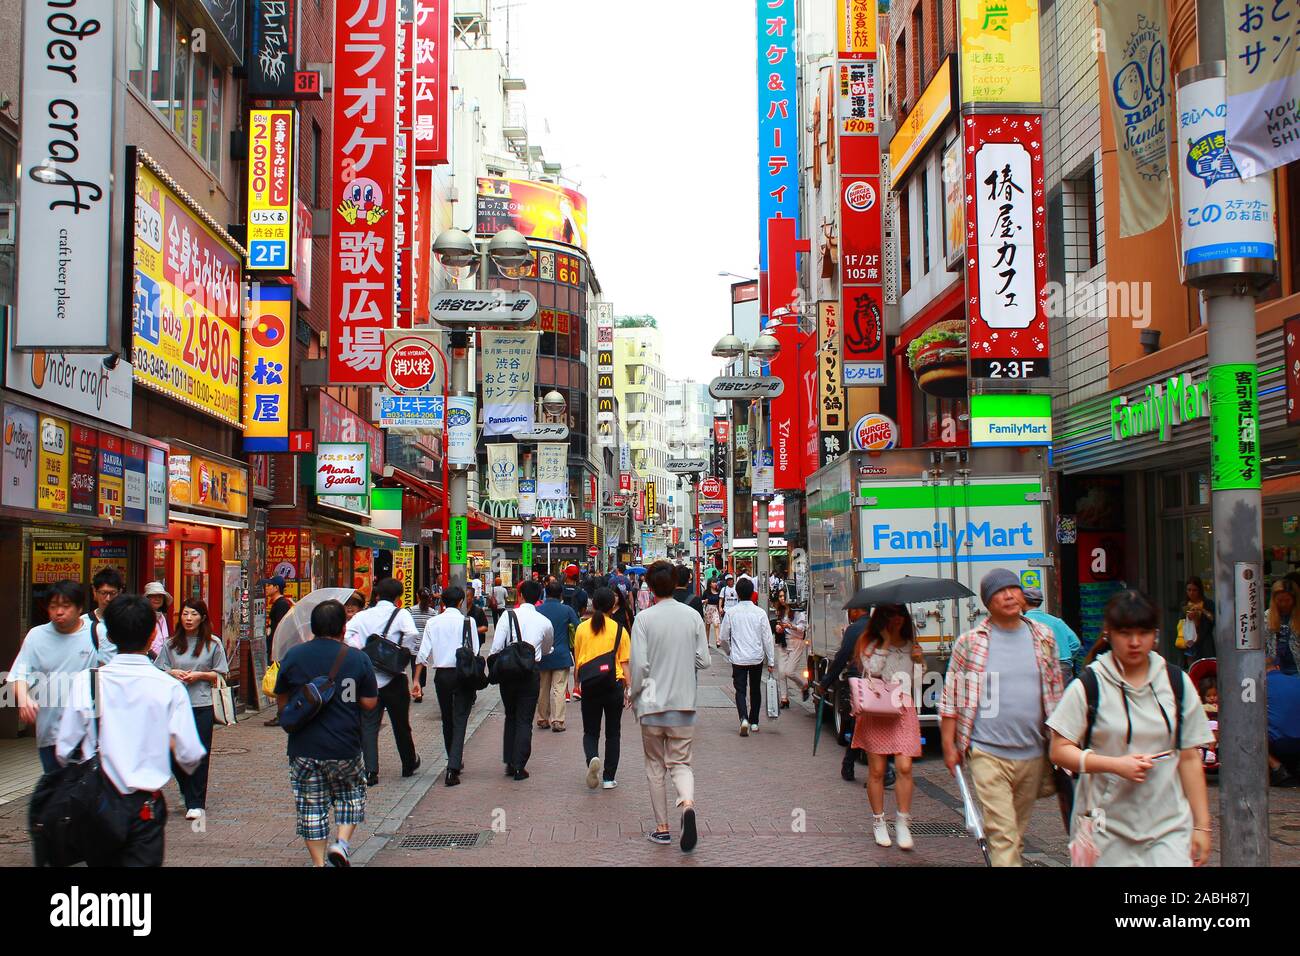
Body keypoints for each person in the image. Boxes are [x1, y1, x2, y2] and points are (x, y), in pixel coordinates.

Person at [1048, 590, 1214, 866]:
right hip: (1106, 829)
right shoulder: (1089, 685)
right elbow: (1059, 750)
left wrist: (1202, 826)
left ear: (1155, 634)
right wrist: (1114, 765)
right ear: (1109, 634)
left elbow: (1188, 758)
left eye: (1144, 632)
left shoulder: (1176, 682)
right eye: (1125, 633)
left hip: (1168, 826)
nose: (1135, 642)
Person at [53, 594, 205, 867]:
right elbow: (191, 754)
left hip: (96, 804)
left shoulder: (88, 683)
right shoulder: (168, 688)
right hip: (144, 807)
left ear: (109, 636)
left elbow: (64, 750)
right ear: (151, 636)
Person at [940, 568, 1064, 867]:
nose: (1008, 595)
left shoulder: (1044, 637)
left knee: (1013, 837)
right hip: (987, 753)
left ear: (1023, 595)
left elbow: (1056, 693)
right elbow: (951, 697)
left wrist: (1062, 743)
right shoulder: (970, 643)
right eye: (999, 591)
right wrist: (948, 745)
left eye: (1013, 589)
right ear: (987, 602)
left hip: (1033, 754)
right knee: (1003, 836)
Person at [274, 600, 379, 867]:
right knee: (351, 796)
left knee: (311, 808)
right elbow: (369, 703)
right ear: (344, 628)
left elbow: (282, 699)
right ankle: (341, 845)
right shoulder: (357, 658)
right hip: (345, 744)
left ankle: (319, 863)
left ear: (313, 627)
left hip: (304, 746)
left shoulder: (295, 656)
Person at [629, 561, 710, 850]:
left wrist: (633, 693)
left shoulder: (644, 619)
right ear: (676, 582)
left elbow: (640, 665)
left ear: (649, 587)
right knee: (681, 763)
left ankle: (662, 829)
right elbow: (705, 659)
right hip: (683, 704)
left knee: (654, 766)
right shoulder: (691, 616)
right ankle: (687, 805)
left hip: (651, 705)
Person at [7, 581, 103, 773]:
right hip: (50, 735)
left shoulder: (98, 633)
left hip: (87, 735)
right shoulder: (36, 636)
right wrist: (24, 699)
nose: (59, 612)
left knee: (84, 795)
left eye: (65, 606)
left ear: (79, 608)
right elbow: (19, 675)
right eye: (53, 606)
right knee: (55, 793)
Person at [852, 605, 924, 849]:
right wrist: (884, 643)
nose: (897, 619)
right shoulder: (870, 645)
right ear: (882, 619)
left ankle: (903, 822)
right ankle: (879, 821)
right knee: (877, 771)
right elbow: (872, 671)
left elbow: (917, 682)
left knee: (904, 766)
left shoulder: (910, 645)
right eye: (892, 614)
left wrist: (919, 661)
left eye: (900, 614)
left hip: (903, 709)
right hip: (878, 711)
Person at [154, 598, 228, 820]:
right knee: (172, 752)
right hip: (174, 706)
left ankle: (196, 803)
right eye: (185, 614)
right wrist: (172, 673)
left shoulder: (212, 643)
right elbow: (158, 669)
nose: (188, 618)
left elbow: (221, 674)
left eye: (193, 614)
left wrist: (200, 675)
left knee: (200, 753)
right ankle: (187, 789)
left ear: (202, 617)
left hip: (201, 703)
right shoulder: (171, 643)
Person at [345, 577, 422, 786]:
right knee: (401, 724)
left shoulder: (362, 616)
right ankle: (408, 764)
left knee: (369, 725)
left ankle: (371, 772)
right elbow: (413, 633)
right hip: (395, 678)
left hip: (368, 678)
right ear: (398, 597)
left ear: (377, 595)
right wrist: (399, 651)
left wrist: (360, 650)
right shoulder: (401, 614)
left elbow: (347, 635)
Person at [414, 586, 480, 787]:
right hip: (463, 674)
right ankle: (453, 766)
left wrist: (416, 680)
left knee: (447, 719)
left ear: (442, 602)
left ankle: (453, 759)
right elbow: (475, 650)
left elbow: (423, 652)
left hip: (442, 675)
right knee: (460, 719)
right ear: (461, 602)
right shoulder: (468, 621)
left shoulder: (433, 622)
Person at [489, 578, 554, 780]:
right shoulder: (544, 621)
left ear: (520, 595)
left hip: (508, 673)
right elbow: (546, 648)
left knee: (511, 715)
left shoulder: (507, 617)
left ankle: (509, 761)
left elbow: (496, 648)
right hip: (530, 672)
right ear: (538, 598)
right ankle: (519, 765)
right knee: (525, 719)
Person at [573, 587, 630, 790]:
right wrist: (628, 688)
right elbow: (624, 663)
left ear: (593, 604)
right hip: (613, 683)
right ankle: (608, 777)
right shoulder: (619, 629)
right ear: (612, 606)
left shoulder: (581, 628)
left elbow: (578, 661)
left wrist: (576, 684)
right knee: (613, 733)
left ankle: (592, 758)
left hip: (589, 684)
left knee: (590, 731)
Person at [819, 603, 873, 782]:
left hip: (858, 681)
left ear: (857, 610)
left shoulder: (853, 630)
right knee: (866, 723)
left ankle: (850, 763)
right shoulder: (879, 628)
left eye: (850, 611)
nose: (850, 614)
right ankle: (853, 764)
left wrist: (825, 682)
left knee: (859, 722)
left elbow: (842, 658)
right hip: (878, 682)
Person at [719, 578, 775, 736]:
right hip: (756, 657)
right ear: (752, 593)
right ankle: (755, 721)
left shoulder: (731, 612)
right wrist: (771, 660)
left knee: (740, 690)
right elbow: (767, 638)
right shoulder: (760, 613)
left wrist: (729, 651)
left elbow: (723, 638)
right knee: (755, 689)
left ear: (737, 593)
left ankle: (743, 718)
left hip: (738, 658)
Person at [536, 580, 580, 732]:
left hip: (543, 655)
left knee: (543, 688)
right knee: (559, 688)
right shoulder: (567, 610)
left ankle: (542, 718)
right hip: (561, 655)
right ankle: (558, 721)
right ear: (561, 594)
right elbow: (578, 626)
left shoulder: (538, 610)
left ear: (546, 593)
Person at [1022, 586, 1082, 680]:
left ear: (1023, 601)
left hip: (1039, 669)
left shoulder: (1024, 623)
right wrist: (1064, 656)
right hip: (1064, 668)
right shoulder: (1057, 622)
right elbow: (1076, 643)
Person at [1267, 656, 1300, 786]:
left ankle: (1277, 767)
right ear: (1278, 668)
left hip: (1278, 742)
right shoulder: (1296, 681)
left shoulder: (1257, 685)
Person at [773, 592, 810, 707]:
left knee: (789, 671)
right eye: (780, 596)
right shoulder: (780, 610)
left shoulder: (798, 610)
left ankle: (803, 685)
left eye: (784, 596)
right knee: (781, 672)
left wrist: (790, 626)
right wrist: (778, 628)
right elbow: (778, 626)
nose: (782, 599)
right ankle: (784, 699)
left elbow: (802, 628)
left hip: (796, 642)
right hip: (783, 642)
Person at [408, 588, 438, 703]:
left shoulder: (410, 611)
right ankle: (421, 688)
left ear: (417, 597)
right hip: (426, 643)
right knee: (423, 666)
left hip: (414, 643)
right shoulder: (432, 613)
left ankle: (417, 688)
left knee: (414, 666)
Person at [1266, 579, 1300, 677]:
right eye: (1280, 600)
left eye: (1287, 600)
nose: (1283, 604)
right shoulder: (1266, 617)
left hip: (1296, 667)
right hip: (1274, 669)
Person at [1179, 576, 1216, 664]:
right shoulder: (1185, 604)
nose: (1191, 593)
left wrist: (1201, 611)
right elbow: (1181, 624)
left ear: (1199, 590)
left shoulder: (1207, 604)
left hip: (1205, 644)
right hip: (1190, 644)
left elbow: (1213, 621)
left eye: (1194, 590)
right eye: (1189, 590)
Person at [144, 581, 172, 658]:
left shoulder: (161, 617)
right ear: (147, 598)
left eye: (160, 596)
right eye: (154, 596)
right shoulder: (142, 616)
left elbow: (165, 639)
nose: (157, 599)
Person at [703, 578, 722, 647]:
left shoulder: (718, 591)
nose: (715, 583)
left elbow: (720, 600)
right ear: (710, 584)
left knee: (716, 624)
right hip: (708, 609)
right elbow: (702, 600)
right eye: (713, 582)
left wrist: (720, 607)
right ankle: (707, 642)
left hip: (715, 609)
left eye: (715, 582)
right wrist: (705, 601)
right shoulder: (706, 592)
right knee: (707, 626)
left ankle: (717, 641)